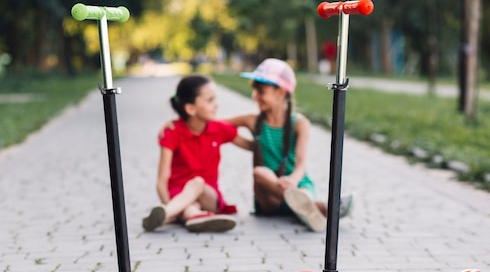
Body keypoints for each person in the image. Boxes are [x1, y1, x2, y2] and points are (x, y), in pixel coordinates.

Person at [225, 58, 353, 232]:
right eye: (254, 90)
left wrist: (292, 180)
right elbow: (218, 127)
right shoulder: (252, 121)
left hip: (297, 184)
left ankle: (304, 206)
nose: (255, 95)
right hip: (269, 197)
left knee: (303, 192)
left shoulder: (299, 124)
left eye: (261, 91)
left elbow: (301, 164)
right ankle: (317, 208)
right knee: (259, 172)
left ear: (281, 92)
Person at [142, 74, 252, 233]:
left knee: (198, 183)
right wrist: (170, 203)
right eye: (210, 100)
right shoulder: (172, 133)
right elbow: (161, 181)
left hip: (210, 197)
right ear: (190, 108)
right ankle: (195, 217)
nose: (217, 105)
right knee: (190, 207)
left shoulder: (218, 129)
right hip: (178, 197)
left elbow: (250, 146)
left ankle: (166, 214)